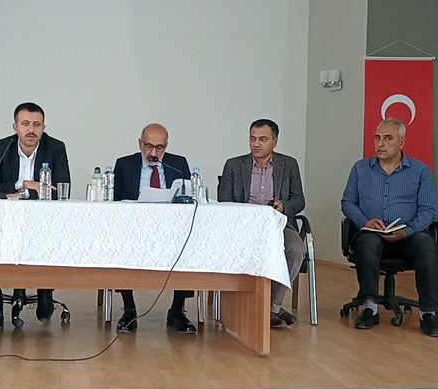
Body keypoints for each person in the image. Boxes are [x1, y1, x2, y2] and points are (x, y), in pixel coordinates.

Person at [341, 117, 438, 337]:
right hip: (372, 233)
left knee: (427, 246)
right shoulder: (360, 168)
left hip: (408, 234)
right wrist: (365, 222)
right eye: (378, 138)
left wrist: (408, 230)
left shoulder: (420, 170)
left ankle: (428, 313)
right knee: (366, 243)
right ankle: (370, 308)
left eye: (388, 138)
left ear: (401, 142)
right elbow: (347, 203)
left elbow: (428, 210)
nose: (381, 143)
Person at [0, 102, 70, 329]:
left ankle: (45, 290)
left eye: (37, 125)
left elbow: (61, 190)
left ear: (43, 127)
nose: (31, 130)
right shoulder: (1, 148)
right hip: (4, 219)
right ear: (15, 127)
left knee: (47, 236)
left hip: (42, 219)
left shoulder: (55, 148)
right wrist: (26, 184)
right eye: (25, 124)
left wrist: (14, 193)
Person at [217, 119, 305, 328]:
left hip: (278, 224)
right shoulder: (234, 165)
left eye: (263, 139)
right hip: (243, 227)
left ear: (275, 141)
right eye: (252, 139)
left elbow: (299, 200)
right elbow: (224, 201)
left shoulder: (289, 164)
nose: (256, 144)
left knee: (296, 250)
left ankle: (271, 306)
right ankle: (256, 308)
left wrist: (283, 206)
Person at [111, 123, 196, 333]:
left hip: (171, 228)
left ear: (166, 146)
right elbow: (114, 203)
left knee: (188, 245)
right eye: (149, 146)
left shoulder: (178, 164)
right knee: (120, 246)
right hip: (133, 228)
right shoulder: (124, 164)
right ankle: (129, 309)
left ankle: (177, 311)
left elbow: (187, 198)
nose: (154, 153)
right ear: (140, 143)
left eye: (160, 148)